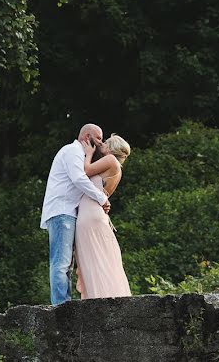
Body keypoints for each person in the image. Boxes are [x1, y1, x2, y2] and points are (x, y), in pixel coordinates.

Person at [40, 124, 111, 305]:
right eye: (98, 138)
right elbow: (78, 178)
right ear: (87, 138)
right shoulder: (72, 151)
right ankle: (61, 306)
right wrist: (101, 198)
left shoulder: (78, 154)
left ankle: (65, 304)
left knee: (67, 265)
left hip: (67, 212)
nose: (101, 143)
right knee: (61, 263)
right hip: (62, 212)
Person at [74, 134, 132, 299]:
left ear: (112, 148)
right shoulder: (115, 168)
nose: (102, 144)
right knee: (97, 260)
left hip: (89, 215)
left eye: (106, 142)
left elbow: (84, 171)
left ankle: (97, 297)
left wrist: (89, 153)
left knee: (93, 260)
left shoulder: (110, 160)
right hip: (93, 214)